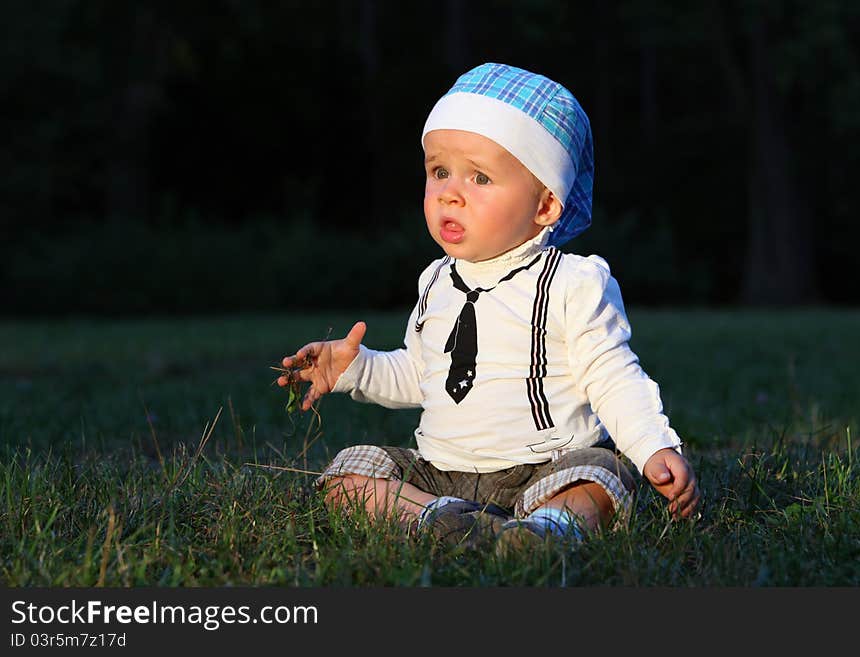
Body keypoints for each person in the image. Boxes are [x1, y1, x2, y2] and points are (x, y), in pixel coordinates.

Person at [276, 62, 700, 554]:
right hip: (441, 470)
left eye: (479, 177)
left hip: (546, 466)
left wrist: (652, 445)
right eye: (439, 171)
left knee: (600, 477)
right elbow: (423, 372)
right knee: (348, 474)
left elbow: (613, 375)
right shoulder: (435, 281)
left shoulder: (572, 282)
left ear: (545, 206)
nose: (450, 193)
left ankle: (549, 531)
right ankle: (442, 519)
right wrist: (359, 368)